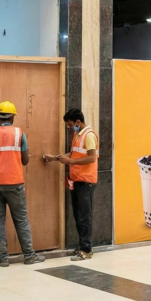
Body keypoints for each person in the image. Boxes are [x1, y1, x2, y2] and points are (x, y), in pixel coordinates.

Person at [0, 101, 45, 266]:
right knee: (21, 219)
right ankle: (29, 256)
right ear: (12, 117)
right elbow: (25, 161)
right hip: (15, 184)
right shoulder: (19, 134)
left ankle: (3, 259)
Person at [44, 109, 97, 261]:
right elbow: (73, 154)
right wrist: (55, 158)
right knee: (78, 216)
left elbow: (92, 158)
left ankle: (86, 250)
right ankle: (83, 246)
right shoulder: (77, 134)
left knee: (84, 217)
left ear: (78, 122)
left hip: (86, 181)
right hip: (77, 180)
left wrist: (71, 161)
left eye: (70, 125)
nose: (69, 128)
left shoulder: (89, 136)